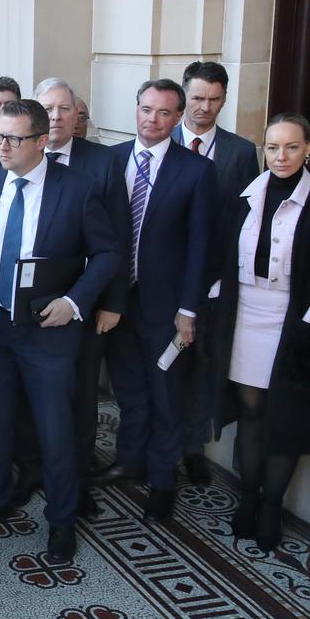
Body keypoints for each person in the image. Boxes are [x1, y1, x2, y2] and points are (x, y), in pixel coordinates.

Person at [0, 100, 120, 563]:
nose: (4, 147)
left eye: (14, 138)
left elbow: (109, 254)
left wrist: (74, 302)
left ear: (40, 141)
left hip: (48, 329)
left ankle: (61, 519)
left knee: (56, 426)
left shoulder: (77, 188)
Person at [97, 80, 217, 523]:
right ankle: (130, 460)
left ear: (179, 117)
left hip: (166, 309)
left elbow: (201, 247)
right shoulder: (110, 160)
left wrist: (189, 310)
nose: (153, 119)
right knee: (128, 390)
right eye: (147, 109)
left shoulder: (196, 171)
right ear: (136, 109)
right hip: (115, 302)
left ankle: (163, 481)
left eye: (165, 113)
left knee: (166, 395)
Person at [9, 78, 127, 515]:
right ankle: (30, 472)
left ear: (78, 115)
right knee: (26, 401)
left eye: (64, 109)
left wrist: (110, 302)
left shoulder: (100, 164)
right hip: (19, 316)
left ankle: (75, 483)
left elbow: (114, 238)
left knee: (77, 402)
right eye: (48, 109)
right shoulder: (4, 166)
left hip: (80, 308)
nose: (56, 116)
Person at [211, 113, 310, 551]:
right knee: (250, 410)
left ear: (308, 149)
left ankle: (272, 505)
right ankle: (248, 498)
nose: (281, 156)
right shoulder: (245, 196)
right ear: (263, 150)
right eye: (273, 147)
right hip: (247, 314)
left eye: (291, 146)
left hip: (294, 320)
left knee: (283, 416)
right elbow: (223, 258)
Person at [171, 61, 261, 486]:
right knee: (162, 370)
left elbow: (243, 221)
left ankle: (192, 448)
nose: (205, 107)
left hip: (212, 284)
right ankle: (158, 450)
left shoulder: (241, 152)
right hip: (162, 281)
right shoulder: (160, 138)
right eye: (198, 98)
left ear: (224, 99)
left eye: (214, 99)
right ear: (184, 96)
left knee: (200, 368)